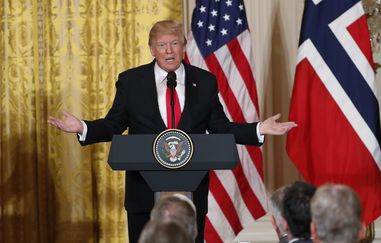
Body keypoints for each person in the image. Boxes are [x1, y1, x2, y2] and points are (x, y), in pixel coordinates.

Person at [47, 20, 297, 243]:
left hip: (191, 194)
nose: (169, 50)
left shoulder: (205, 81)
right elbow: (114, 124)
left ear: (184, 46)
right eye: (162, 45)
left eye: (175, 43)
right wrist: (83, 127)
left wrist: (258, 128)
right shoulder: (131, 81)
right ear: (152, 49)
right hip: (143, 193)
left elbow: (220, 127)